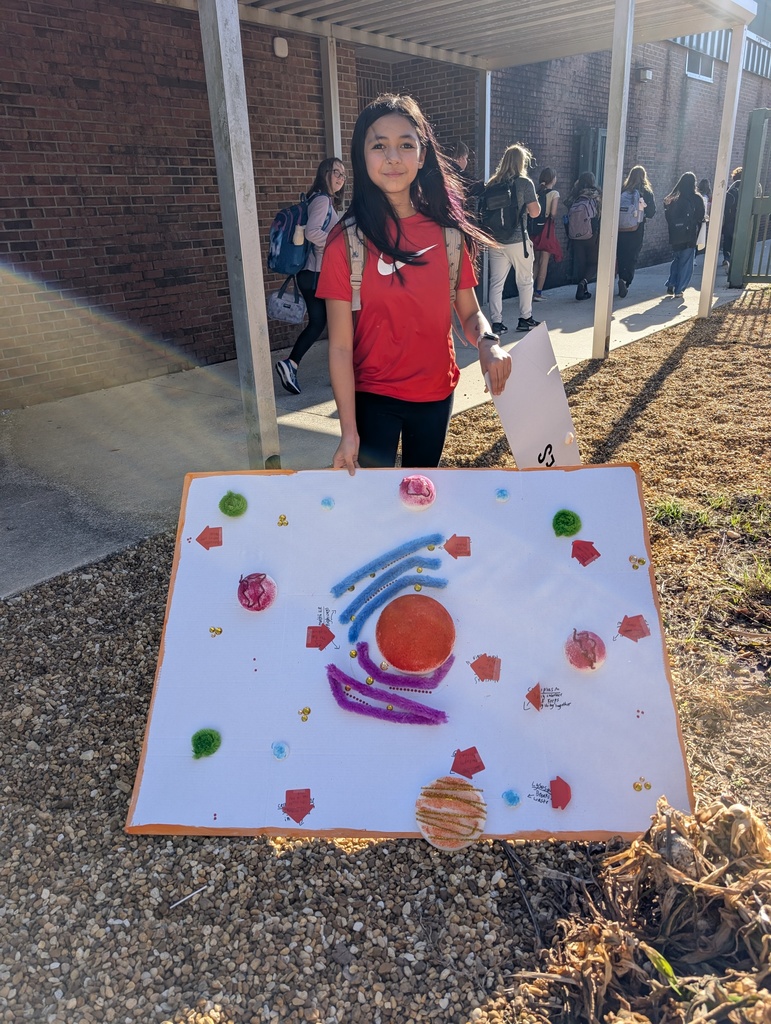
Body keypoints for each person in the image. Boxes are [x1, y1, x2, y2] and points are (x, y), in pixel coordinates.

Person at [316, 94, 511, 474]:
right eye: (379, 145)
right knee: (376, 509)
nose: (393, 157)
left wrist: (488, 345)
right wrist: (349, 431)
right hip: (373, 397)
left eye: (406, 144)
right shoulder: (346, 242)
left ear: (422, 156)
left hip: (436, 396)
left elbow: (470, 313)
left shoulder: (449, 234)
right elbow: (339, 347)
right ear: (362, 156)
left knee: (422, 496)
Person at [275, 157, 347, 395]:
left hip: (311, 272)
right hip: (316, 273)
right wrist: (338, 244)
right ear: (324, 173)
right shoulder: (322, 200)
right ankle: (337, 371)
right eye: (336, 172)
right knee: (335, 321)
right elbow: (313, 232)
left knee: (321, 322)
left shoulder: (318, 199)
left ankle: (292, 364)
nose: (340, 178)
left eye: (343, 175)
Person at [483, 144, 542, 334]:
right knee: (525, 281)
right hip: (519, 241)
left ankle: (497, 323)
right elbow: (535, 213)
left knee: (496, 283)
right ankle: (525, 318)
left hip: (496, 240)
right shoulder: (524, 183)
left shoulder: (492, 183)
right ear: (521, 162)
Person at [663, 172, 706, 299]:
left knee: (676, 259)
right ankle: (679, 289)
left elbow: (668, 217)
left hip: (675, 235)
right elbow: (700, 216)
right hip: (689, 234)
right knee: (686, 262)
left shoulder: (673, 198)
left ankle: (671, 282)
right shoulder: (696, 198)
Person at [616, 165, 656, 298]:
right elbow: (651, 212)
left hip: (621, 228)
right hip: (636, 229)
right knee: (632, 255)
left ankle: (621, 276)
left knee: (621, 254)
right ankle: (626, 281)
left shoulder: (623, 189)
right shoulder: (645, 191)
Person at [567, 171, 602, 300]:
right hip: (592, 233)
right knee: (594, 262)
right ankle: (584, 283)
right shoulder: (597, 195)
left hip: (575, 234)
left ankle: (582, 291)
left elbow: (567, 205)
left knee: (581, 263)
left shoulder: (575, 195)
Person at [529, 167, 560, 301]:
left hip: (535, 230)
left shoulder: (537, 192)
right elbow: (553, 213)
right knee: (544, 262)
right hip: (547, 230)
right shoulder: (554, 193)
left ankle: (528, 292)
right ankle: (538, 293)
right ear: (553, 179)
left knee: (535, 262)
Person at [721, 166, 742, 267]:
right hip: (741, 221)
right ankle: (735, 261)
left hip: (729, 220)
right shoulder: (746, 192)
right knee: (737, 242)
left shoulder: (730, 191)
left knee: (727, 240)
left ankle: (727, 258)